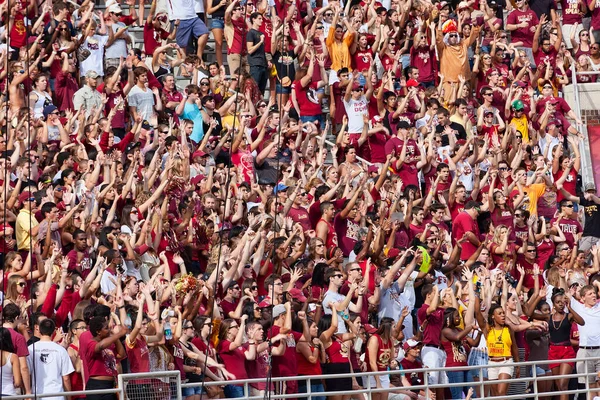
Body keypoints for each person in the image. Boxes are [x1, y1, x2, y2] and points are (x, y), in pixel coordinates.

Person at [27, 319, 74, 400]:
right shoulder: (61, 350)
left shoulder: (30, 349)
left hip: (37, 395)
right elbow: (66, 378)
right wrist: (69, 398)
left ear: (39, 330)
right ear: (53, 331)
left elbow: (27, 373)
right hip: (57, 396)